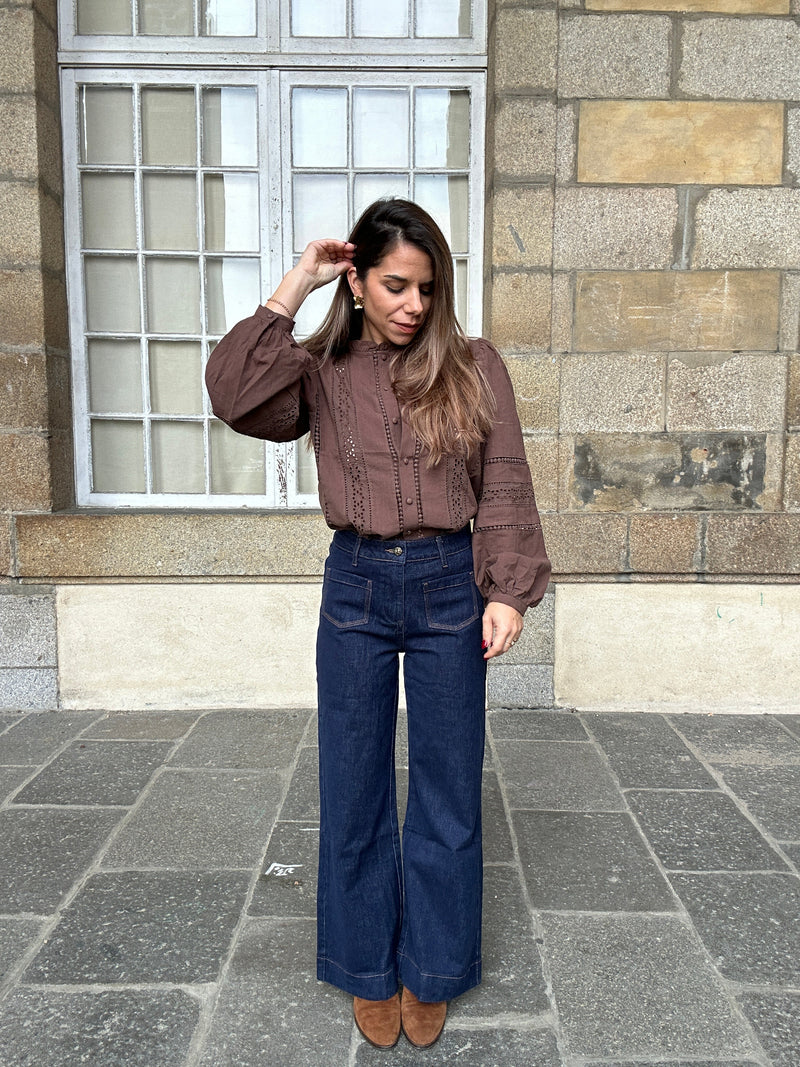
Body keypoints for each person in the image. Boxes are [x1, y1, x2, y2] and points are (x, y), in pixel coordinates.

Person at [205, 198, 550, 1051]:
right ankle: (365, 967)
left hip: (447, 585)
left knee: (446, 789)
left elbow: (504, 472)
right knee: (353, 784)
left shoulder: (473, 364)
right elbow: (233, 395)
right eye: (395, 284)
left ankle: (430, 969)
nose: (413, 305)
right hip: (355, 583)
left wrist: (505, 588)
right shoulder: (320, 366)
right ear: (357, 280)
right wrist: (296, 285)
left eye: (426, 288)